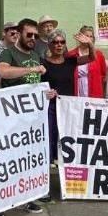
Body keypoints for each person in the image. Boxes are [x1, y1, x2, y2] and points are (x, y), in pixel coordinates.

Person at [0, 18, 48, 216]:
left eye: (35, 36)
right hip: (11, 118)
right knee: (7, 162)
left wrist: (45, 93)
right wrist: (31, 70)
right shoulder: (9, 53)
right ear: (20, 34)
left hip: (30, 119)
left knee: (27, 160)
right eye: (29, 35)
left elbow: (35, 86)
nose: (32, 39)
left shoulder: (35, 55)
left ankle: (27, 198)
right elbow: (4, 72)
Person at [41, 30, 92, 169]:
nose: (59, 45)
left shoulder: (71, 61)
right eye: (55, 42)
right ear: (49, 45)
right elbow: (38, 85)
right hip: (50, 105)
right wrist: (46, 92)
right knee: (51, 132)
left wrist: (89, 44)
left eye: (62, 42)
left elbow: (91, 58)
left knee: (65, 131)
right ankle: (50, 159)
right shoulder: (43, 64)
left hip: (67, 105)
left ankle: (61, 157)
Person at [66, 25, 108, 98]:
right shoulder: (71, 54)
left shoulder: (98, 55)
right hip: (76, 89)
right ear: (80, 37)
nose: (88, 38)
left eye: (90, 36)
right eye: (86, 36)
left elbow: (103, 77)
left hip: (94, 91)